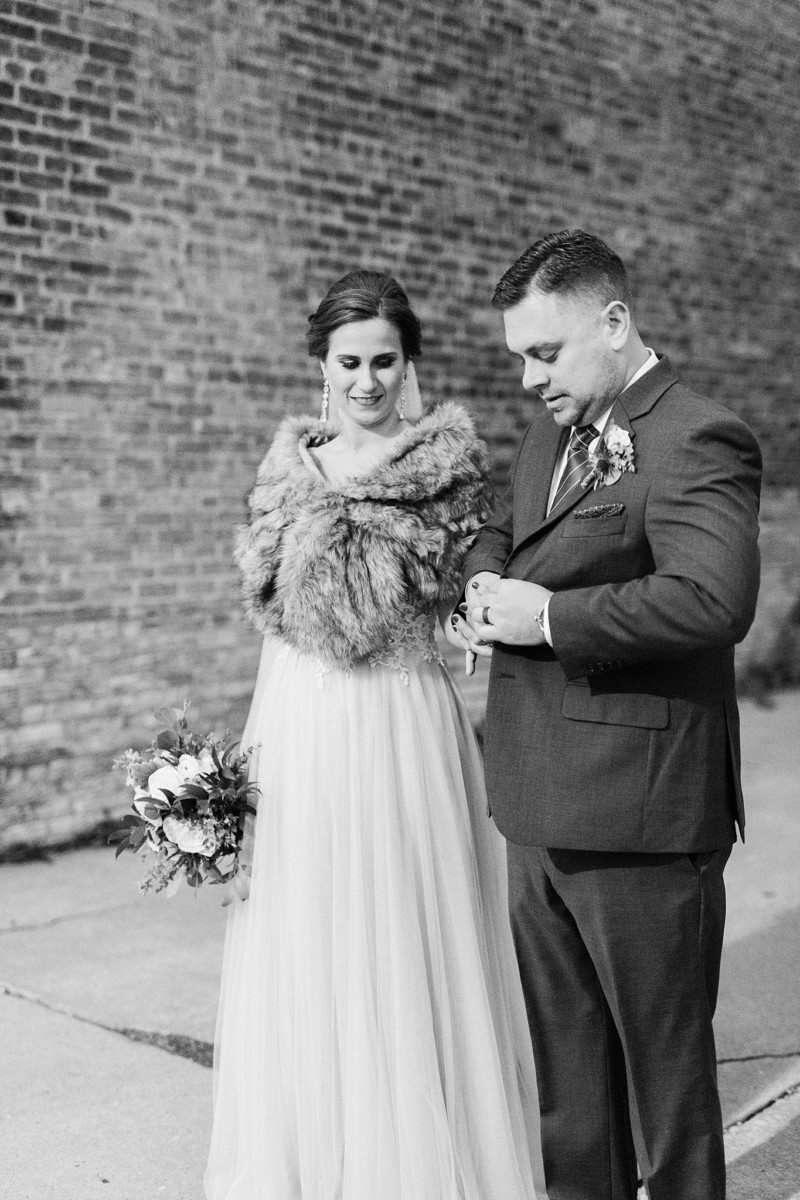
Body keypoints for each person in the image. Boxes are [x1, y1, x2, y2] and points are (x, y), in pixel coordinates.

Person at [204, 270, 544, 1200]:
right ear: (321, 364)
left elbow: (476, 579)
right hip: (300, 719)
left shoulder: (444, 470)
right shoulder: (287, 471)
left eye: (384, 362)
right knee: (308, 922)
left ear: (408, 364)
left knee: (405, 919)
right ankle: (317, 1155)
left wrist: (471, 616)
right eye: (349, 362)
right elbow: (270, 615)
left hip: (399, 717)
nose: (366, 381)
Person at [450, 230, 762, 1200]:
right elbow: (503, 529)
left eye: (545, 353)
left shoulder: (695, 435)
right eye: (521, 358)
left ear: (614, 322)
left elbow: (712, 598)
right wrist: (482, 585)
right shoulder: (551, 430)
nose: (530, 379)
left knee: (665, 1099)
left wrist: (545, 618)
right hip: (531, 803)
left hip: (639, 817)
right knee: (571, 1099)